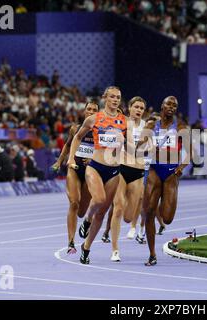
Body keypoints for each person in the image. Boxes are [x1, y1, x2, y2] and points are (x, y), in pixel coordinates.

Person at [68, 86, 127, 265]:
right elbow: (77, 137)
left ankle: (86, 248)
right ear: (105, 98)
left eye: (118, 97)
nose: (115, 100)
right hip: (95, 167)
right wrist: (71, 157)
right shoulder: (94, 119)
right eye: (112, 97)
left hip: (114, 171)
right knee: (99, 199)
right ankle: (86, 220)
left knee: (101, 214)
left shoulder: (126, 122)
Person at [142, 96, 190, 266]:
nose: (171, 107)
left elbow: (190, 153)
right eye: (169, 103)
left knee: (167, 218)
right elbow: (139, 146)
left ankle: (161, 214)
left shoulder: (181, 127)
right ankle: (152, 254)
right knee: (148, 212)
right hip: (154, 169)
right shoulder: (151, 125)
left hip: (170, 173)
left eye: (175, 105)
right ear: (162, 105)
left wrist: (180, 168)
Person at [52, 101, 99, 254]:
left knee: (81, 211)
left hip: (91, 172)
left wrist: (94, 160)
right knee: (74, 203)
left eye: (94, 110)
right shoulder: (75, 128)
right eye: (89, 109)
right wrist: (60, 161)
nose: (91, 111)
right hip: (74, 169)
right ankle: (71, 243)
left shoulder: (102, 131)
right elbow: (67, 145)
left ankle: (86, 221)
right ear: (84, 111)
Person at [109, 96, 148, 262]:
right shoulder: (122, 122)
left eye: (141, 108)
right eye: (136, 107)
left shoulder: (147, 126)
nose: (138, 110)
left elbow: (148, 148)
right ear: (129, 108)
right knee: (118, 208)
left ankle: (132, 225)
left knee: (128, 215)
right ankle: (115, 250)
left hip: (138, 172)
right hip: (121, 169)